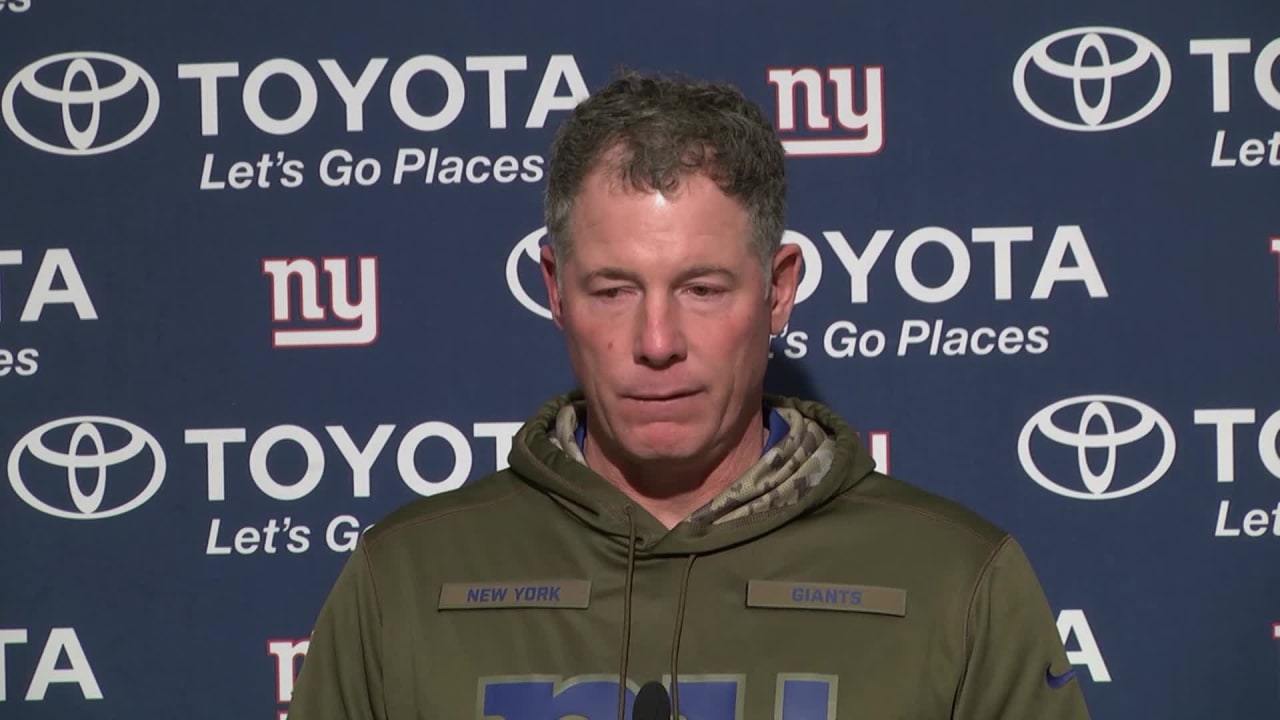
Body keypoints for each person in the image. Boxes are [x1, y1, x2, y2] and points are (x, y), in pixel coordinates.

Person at [288, 71, 1091, 720]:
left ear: (778, 291)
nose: (657, 340)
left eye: (702, 289)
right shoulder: (405, 581)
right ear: (555, 291)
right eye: (613, 290)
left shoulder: (954, 581)